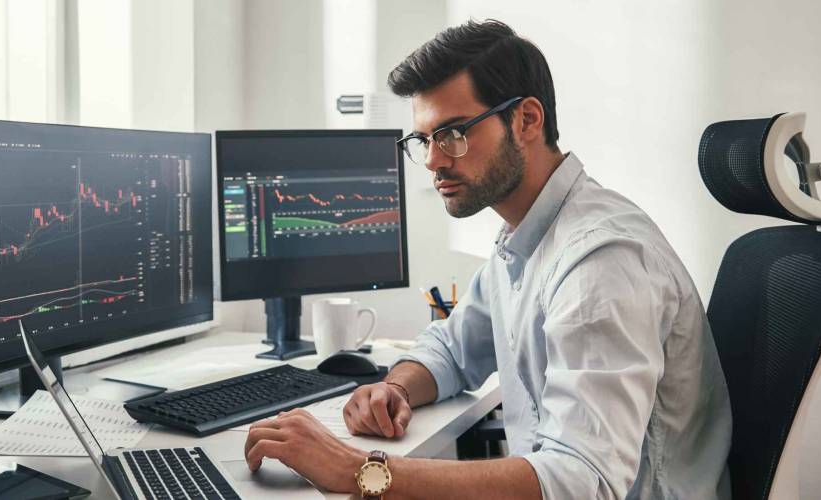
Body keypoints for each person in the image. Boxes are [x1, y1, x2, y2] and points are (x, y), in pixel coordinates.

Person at [243, 19, 732, 499]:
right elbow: (453, 351)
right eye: (423, 140)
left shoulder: (600, 263)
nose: (433, 159)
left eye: (453, 133)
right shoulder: (522, 239)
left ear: (527, 121)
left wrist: (359, 472)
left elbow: (582, 482)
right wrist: (394, 388)